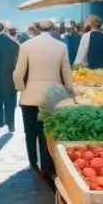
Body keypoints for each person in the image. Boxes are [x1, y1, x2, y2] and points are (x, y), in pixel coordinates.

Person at [14, 18, 73, 182]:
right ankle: (47, 165)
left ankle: (33, 162)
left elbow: (18, 74)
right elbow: (67, 74)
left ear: (37, 28)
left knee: (30, 131)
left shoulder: (26, 46)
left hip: (30, 95)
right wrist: (71, 92)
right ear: (53, 28)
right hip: (54, 96)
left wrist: (23, 89)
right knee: (49, 131)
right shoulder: (61, 46)